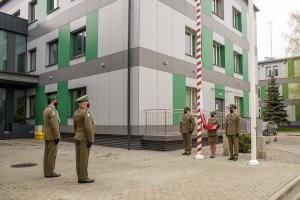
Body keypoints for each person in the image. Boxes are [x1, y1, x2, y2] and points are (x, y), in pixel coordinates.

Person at [73, 95, 95, 184]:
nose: (88, 104)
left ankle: (80, 176)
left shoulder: (76, 112)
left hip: (77, 137)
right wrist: (90, 139)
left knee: (79, 159)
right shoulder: (86, 113)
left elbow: (75, 126)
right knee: (84, 159)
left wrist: (78, 133)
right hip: (84, 138)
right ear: (85, 103)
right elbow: (88, 128)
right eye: (87, 102)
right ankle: (84, 177)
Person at [43, 94, 61, 178]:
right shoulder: (52, 111)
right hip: (52, 136)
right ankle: (50, 172)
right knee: (52, 155)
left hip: (47, 135)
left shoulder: (46, 110)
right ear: (52, 101)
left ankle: (46, 172)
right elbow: (55, 125)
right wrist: (57, 136)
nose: (56, 102)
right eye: (55, 101)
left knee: (47, 154)